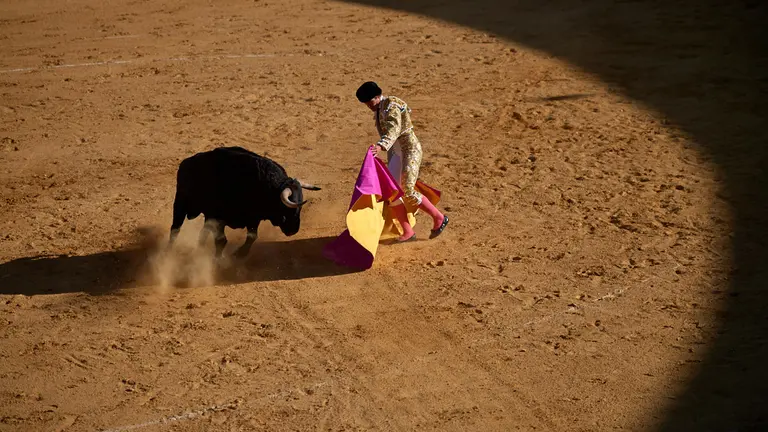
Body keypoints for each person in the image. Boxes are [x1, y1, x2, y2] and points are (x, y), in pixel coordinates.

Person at [355, 81, 449, 242]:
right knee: (391, 192)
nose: (369, 106)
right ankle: (407, 232)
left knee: (407, 189)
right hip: (396, 153)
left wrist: (381, 146)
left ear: (378, 97)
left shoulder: (391, 104)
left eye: (370, 102)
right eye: (366, 104)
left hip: (409, 150)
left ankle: (439, 217)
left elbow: (394, 129)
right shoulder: (379, 109)